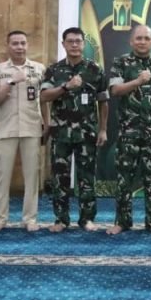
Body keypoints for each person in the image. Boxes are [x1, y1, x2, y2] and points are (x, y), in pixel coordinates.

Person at [40, 27, 109, 232]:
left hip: (87, 133)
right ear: (63, 44)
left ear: (83, 44)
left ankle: (87, 219)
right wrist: (65, 87)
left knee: (86, 177)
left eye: (78, 41)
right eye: (70, 41)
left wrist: (103, 129)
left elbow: (103, 101)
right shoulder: (54, 70)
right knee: (59, 177)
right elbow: (43, 97)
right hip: (61, 133)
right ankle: (61, 219)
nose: (74, 45)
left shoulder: (95, 70)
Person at [106, 24, 151, 235]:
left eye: (146, 38)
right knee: (124, 180)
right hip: (128, 132)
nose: (142, 42)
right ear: (131, 41)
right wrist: (137, 81)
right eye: (138, 38)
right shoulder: (120, 62)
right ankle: (122, 221)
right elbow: (115, 90)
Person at [0, 30, 46, 233]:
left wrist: (47, 123)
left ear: (27, 45)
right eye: (15, 43)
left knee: (32, 176)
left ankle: (30, 218)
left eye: (23, 43)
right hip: (6, 128)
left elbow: (43, 100)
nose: (19, 47)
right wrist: (11, 81)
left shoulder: (39, 69)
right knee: (2, 176)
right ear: (8, 46)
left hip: (31, 127)